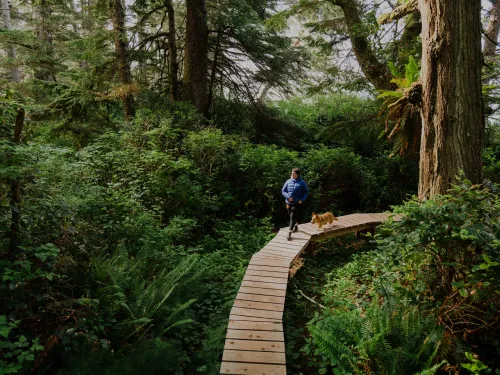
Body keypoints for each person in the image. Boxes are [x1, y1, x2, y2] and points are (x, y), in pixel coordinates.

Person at [281, 168, 309, 240]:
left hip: (297, 203)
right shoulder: (288, 181)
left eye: (294, 174)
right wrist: (288, 196)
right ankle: (295, 225)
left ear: (298, 174)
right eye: (292, 173)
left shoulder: (302, 183)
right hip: (288, 202)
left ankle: (289, 232)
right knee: (290, 214)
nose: (292, 175)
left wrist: (302, 200)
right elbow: (283, 191)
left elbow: (306, 192)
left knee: (292, 216)